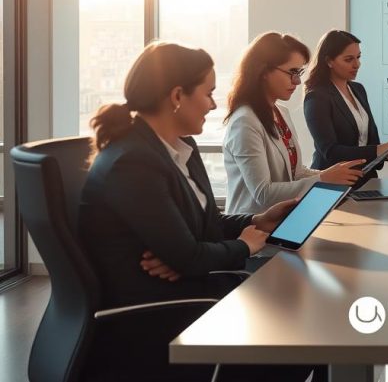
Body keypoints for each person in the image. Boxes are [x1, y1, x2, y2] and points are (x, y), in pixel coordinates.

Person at [79, 42, 320, 381]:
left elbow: (200, 226)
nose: (212, 104)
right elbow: (188, 257)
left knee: (300, 313)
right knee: (297, 332)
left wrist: (254, 221)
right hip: (155, 314)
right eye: (207, 94)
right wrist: (245, 246)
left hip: (189, 289)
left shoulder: (179, 148)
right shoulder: (133, 162)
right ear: (177, 96)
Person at [223, 32, 365, 214]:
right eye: (292, 72)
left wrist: (334, 174)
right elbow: (263, 193)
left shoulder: (281, 112)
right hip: (252, 229)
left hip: (284, 221)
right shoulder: (244, 121)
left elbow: (294, 173)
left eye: (299, 73)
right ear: (264, 71)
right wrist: (323, 178)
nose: (297, 81)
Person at [303, 30, 388, 180]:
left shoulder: (358, 90)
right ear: (329, 61)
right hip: (332, 183)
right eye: (349, 59)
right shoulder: (317, 97)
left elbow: (369, 141)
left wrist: (384, 155)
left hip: (366, 179)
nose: (357, 64)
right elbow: (330, 152)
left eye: (358, 57)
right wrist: (376, 150)